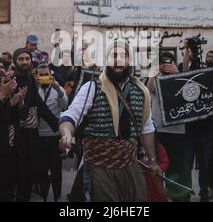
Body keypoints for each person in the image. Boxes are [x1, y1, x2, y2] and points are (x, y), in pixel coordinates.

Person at [60, 41, 160, 201]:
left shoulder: (141, 92)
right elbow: (71, 116)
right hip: (99, 166)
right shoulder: (91, 88)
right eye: (114, 56)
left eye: (124, 56)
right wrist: (66, 133)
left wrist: (153, 161)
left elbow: (146, 129)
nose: (118, 60)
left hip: (130, 165)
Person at [12, 48, 59, 201]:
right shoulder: (12, 81)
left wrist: (56, 124)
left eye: (27, 58)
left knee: (30, 172)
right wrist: (21, 105)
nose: (25, 62)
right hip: (18, 135)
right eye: (21, 59)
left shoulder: (30, 79)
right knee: (21, 173)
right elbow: (18, 111)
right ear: (15, 62)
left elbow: (38, 103)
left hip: (32, 133)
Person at [147, 51, 191, 201]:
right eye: (163, 62)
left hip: (178, 131)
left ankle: (180, 197)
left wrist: (177, 73)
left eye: (169, 62)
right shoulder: (156, 77)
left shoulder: (179, 76)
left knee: (178, 168)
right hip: (158, 130)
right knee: (158, 168)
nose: (166, 65)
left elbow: (188, 92)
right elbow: (147, 91)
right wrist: (155, 71)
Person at [0, 56, 26, 201]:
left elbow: (21, 115)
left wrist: (19, 100)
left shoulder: (8, 87)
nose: (1, 71)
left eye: (3, 67)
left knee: (10, 186)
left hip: (12, 146)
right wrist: (6, 98)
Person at [35, 63, 68, 202]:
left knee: (56, 169)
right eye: (40, 75)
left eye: (45, 75)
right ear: (36, 76)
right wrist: (35, 88)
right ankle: (43, 195)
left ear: (50, 75)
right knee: (42, 169)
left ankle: (57, 195)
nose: (43, 77)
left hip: (55, 135)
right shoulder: (34, 89)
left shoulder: (57, 89)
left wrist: (59, 90)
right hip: (39, 135)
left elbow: (65, 105)